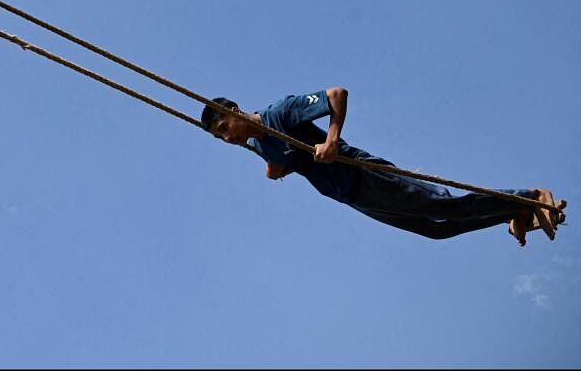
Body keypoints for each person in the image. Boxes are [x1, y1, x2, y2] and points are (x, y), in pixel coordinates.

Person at [201, 87, 561, 243]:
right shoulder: (262, 144)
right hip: (354, 197)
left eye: (224, 127)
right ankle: (512, 211)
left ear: (234, 112)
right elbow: (285, 159)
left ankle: (530, 196)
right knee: (435, 230)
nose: (227, 137)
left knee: (442, 204)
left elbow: (336, 94)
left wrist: (331, 138)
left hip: (364, 174)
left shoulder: (280, 112)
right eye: (221, 138)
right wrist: (276, 169)